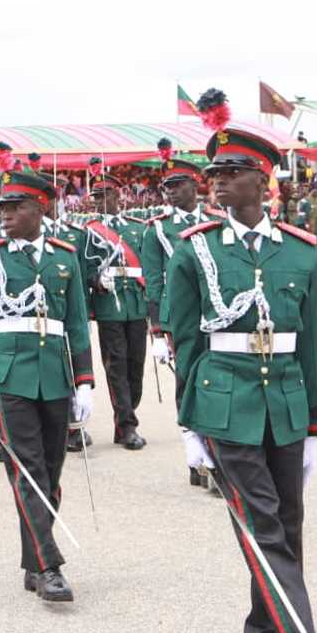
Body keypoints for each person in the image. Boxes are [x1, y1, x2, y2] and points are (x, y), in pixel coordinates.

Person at [167, 123, 317, 633]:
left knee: (286, 532)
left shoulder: (301, 251)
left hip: (285, 405)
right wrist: (189, 424)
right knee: (265, 528)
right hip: (224, 405)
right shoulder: (195, 249)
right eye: (212, 174)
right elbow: (187, 342)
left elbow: (311, 343)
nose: (217, 183)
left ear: (261, 181)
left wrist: (313, 423)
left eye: (230, 173)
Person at [0, 170, 94, 603]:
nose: (5, 216)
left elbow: (76, 322)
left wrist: (85, 381)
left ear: (42, 208)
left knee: (51, 472)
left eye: (16, 207)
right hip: (9, 374)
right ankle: (48, 565)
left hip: (55, 373)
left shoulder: (65, 257)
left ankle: (32, 559)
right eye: (1, 208)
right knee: (28, 469)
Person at [139, 153, 208, 485]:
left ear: (195, 185)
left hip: (214, 312)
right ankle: (194, 450)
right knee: (188, 381)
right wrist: (155, 331)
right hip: (177, 316)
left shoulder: (215, 219)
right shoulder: (158, 229)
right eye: (167, 187)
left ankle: (216, 449)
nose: (170, 192)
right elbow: (153, 280)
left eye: (178, 185)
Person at [83, 172, 149, 449]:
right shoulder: (89, 231)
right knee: (116, 365)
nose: (101, 201)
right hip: (109, 303)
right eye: (96, 197)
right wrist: (95, 280)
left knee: (136, 366)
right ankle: (127, 424)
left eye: (105, 195)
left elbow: (149, 265)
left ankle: (124, 417)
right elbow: (83, 267)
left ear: (117, 196)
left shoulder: (137, 228)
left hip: (135, 302)